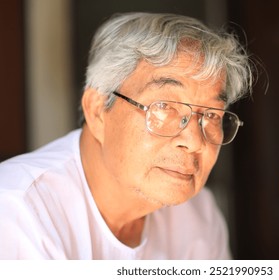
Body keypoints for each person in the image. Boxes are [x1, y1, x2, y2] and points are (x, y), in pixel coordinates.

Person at [0, 12, 254, 259]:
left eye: (211, 115)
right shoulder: (18, 211)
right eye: (164, 107)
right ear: (98, 109)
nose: (194, 142)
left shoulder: (198, 214)